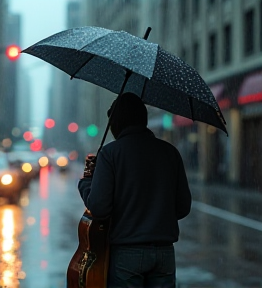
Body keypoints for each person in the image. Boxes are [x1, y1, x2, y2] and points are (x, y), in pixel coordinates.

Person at [78, 92, 192, 288]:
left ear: (116, 123)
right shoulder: (170, 152)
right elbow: (183, 207)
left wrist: (87, 182)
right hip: (164, 254)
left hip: (127, 255)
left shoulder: (110, 154)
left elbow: (99, 208)